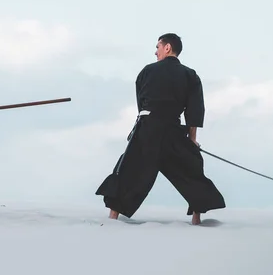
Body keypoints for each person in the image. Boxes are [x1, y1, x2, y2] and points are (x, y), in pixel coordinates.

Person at [95, 33, 225, 225]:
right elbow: (194, 110)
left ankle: (113, 217)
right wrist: (192, 139)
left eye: (158, 47)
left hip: (148, 129)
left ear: (168, 48)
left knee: (129, 170)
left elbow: (142, 104)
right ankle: (197, 218)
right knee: (191, 168)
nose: (155, 52)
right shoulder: (190, 75)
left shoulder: (147, 71)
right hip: (173, 130)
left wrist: (145, 124)